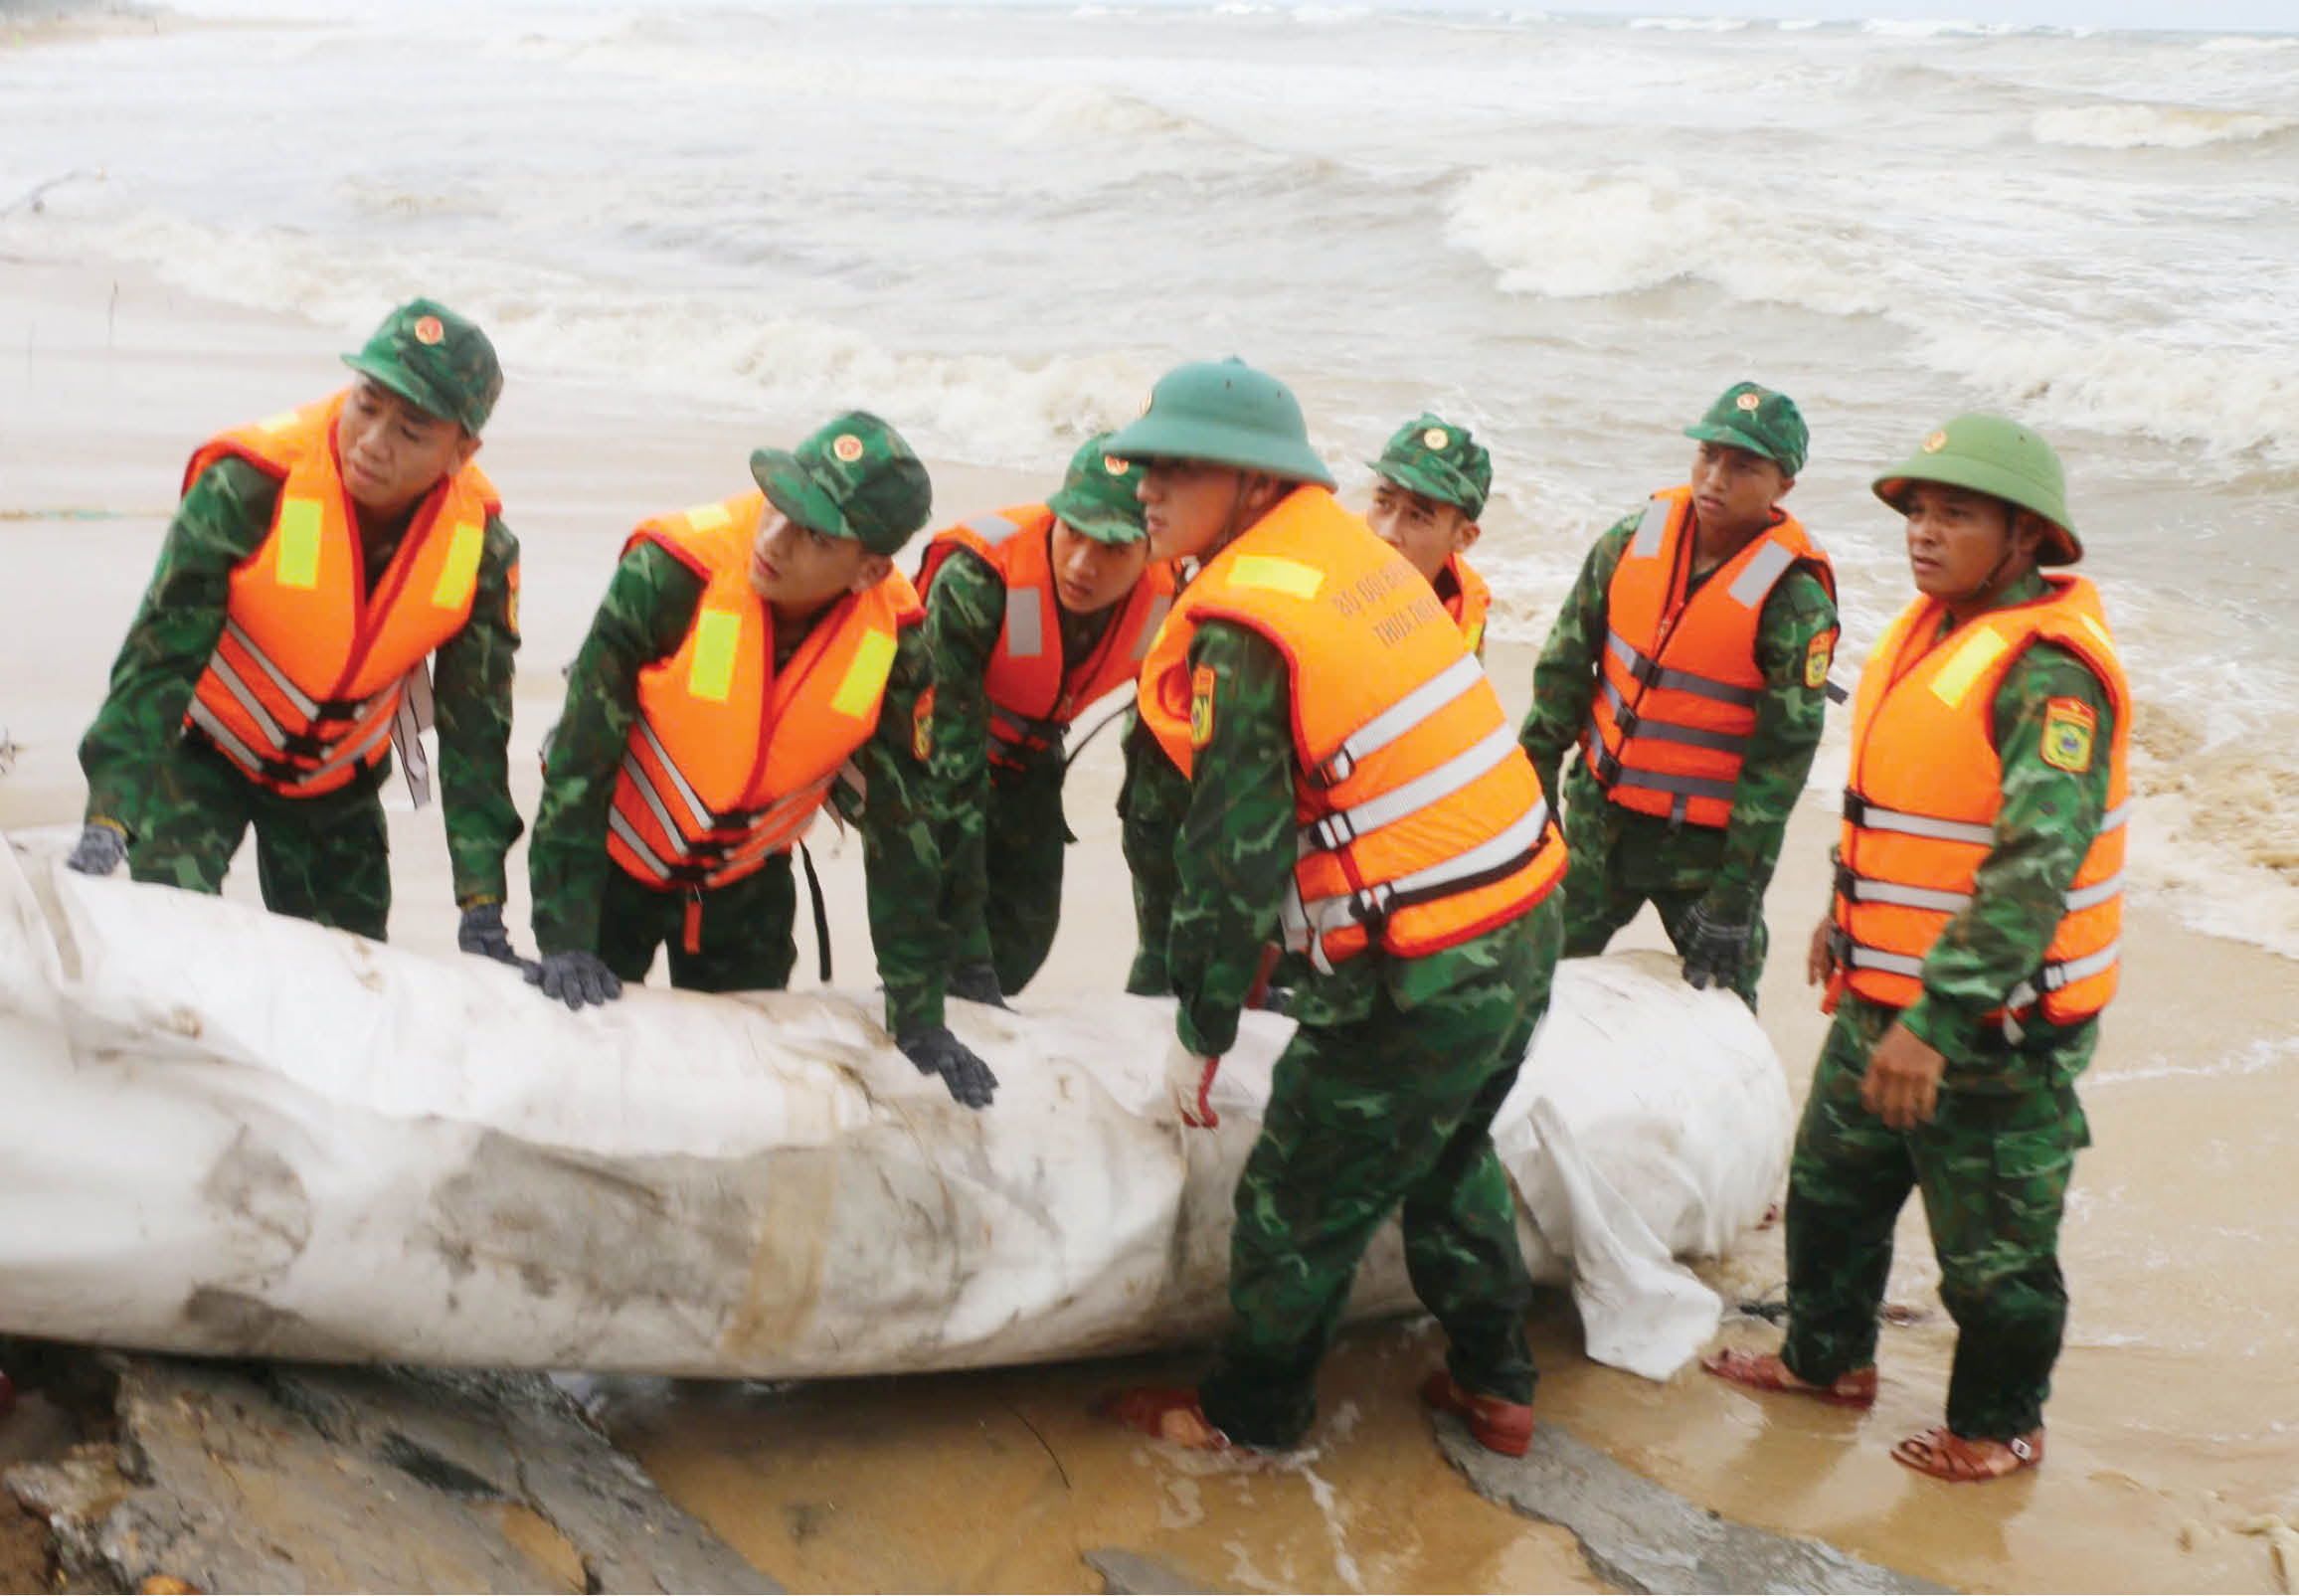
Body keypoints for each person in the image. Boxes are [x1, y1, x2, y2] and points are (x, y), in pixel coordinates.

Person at [1097, 359, 1570, 1459]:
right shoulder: (1348, 556)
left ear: (1256, 485)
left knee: (1293, 1199)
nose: (1145, 490)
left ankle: (1246, 1422)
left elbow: (1234, 859)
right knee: (1449, 1156)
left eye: (1176, 468)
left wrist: (1199, 1029)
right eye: (1142, 465)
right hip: (1527, 911)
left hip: (1426, 968)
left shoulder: (1249, 620)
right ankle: (1496, 1384)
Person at [1703, 415, 2126, 1484]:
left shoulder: (2046, 675)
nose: (1922, 535)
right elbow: (1921, 822)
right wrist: (1845, 920)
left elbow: (2033, 867)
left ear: (2025, 535)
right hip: (1879, 996)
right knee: (1831, 1190)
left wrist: (1934, 1023)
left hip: (1989, 1027)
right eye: (1917, 513)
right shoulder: (1931, 628)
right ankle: (1824, 1362)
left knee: (1991, 1256)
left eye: (1956, 515)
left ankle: (1996, 1429)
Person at [522, 412, 998, 1111]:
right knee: (576, 1078)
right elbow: (578, 761)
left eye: (814, 533)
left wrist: (919, 1015)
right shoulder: (668, 576)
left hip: (744, 893)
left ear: (869, 569)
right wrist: (563, 934)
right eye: (780, 506)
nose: (774, 539)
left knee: (738, 1095)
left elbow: (906, 833)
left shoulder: (896, 645)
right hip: (610, 874)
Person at [66, 300, 525, 964]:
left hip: (334, 784)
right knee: (159, 939)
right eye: (366, 405)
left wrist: (481, 902)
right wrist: (111, 813)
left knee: (347, 974)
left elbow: (476, 732)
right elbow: (157, 658)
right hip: (204, 755)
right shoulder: (250, 485)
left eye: (411, 430)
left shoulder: (482, 551)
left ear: (463, 450)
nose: (373, 441)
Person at [1515, 382, 1837, 1006]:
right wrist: (1536, 782)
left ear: (1784, 487)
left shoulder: (1795, 604)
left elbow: (1779, 766)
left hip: (1703, 852)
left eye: (1745, 466)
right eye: (1709, 456)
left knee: (1727, 999)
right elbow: (1563, 666)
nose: (1717, 477)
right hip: (1597, 820)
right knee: (1529, 982)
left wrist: (1736, 897)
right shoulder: (1631, 541)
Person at [918, 435, 1173, 1000]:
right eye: (1073, 532)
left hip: (1030, 755)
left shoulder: (1173, 597)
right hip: (932, 755)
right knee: (947, 947)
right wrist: (966, 952)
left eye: (1112, 548)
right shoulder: (976, 582)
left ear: (1152, 547)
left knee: (1024, 940)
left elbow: (1167, 766)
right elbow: (945, 770)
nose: (1082, 564)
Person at [1364, 414, 1494, 658]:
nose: (1386, 533)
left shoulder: (1464, 612)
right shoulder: (1322, 566)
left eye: (1417, 517)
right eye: (1383, 503)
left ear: (1465, 537)